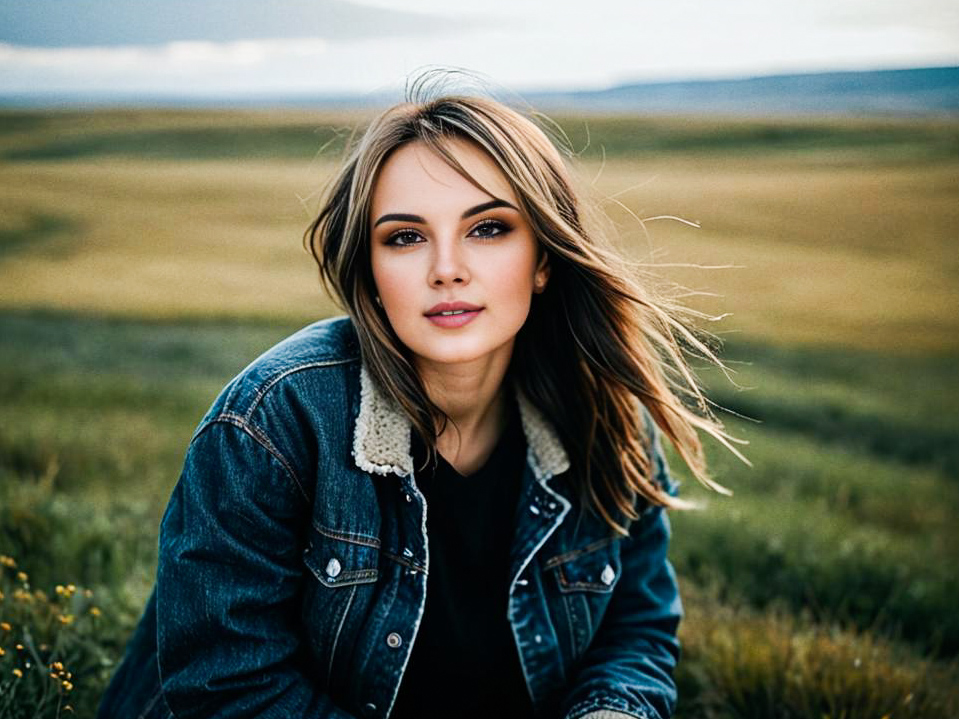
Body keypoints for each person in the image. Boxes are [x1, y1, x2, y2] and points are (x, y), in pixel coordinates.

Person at [97, 81, 740, 719]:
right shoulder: (272, 423)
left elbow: (635, 628)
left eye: (488, 229)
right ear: (369, 276)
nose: (446, 268)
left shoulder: (605, 420)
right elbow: (225, 685)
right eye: (405, 237)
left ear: (544, 259)